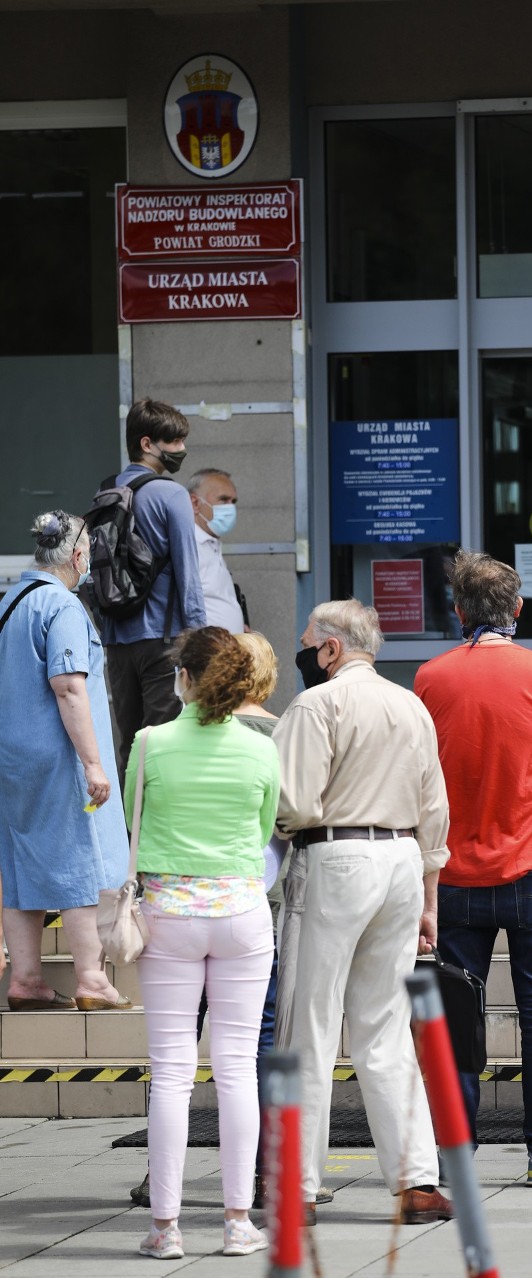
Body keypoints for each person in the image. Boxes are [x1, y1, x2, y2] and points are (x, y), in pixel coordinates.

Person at [274, 599, 453, 1225]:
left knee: (309, 1029)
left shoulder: (316, 705)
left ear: (330, 649)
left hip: (336, 857)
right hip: (403, 860)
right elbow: (435, 812)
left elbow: (293, 804)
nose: (305, 653)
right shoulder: (411, 705)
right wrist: (431, 900)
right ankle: (417, 1180)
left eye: (308, 642)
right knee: (385, 1027)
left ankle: (296, 1187)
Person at [415, 550, 532, 1187]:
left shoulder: (431, 678)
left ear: (458, 610)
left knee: (459, 1015)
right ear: (518, 609)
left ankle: (454, 1160)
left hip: (457, 873)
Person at [128, 626, 279, 1261]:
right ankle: (239, 1222)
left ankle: (165, 1229)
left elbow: (131, 818)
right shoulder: (260, 749)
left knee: (171, 1074)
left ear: (182, 678)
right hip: (242, 911)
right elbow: (269, 826)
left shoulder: (150, 743)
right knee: (238, 1068)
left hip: (167, 913)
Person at [0, 511, 130, 1012]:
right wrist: (94, 764)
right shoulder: (63, 606)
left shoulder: (10, 601)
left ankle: (27, 979)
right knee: (80, 861)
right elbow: (69, 686)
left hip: (12, 761)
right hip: (59, 757)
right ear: (78, 555)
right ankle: (92, 979)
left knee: (18, 867)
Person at [96, 398, 207, 781]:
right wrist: (199, 640)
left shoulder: (106, 491)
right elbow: (188, 574)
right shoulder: (170, 494)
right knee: (164, 742)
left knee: (129, 743)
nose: (181, 450)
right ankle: (159, 833)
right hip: (164, 641)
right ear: (147, 443)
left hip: (116, 641)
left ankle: (128, 835)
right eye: (173, 441)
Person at [187, 468, 247, 634]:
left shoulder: (211, 544)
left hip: (226, 652)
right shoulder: (189, 548)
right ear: (195, 503)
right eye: (223, 500)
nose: (230, 507)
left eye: (233, 501)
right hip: (204, 653)